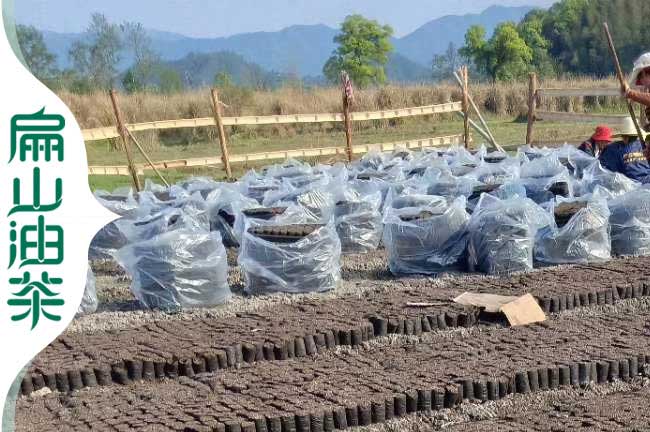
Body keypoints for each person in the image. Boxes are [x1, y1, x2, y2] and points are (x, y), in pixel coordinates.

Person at [599, 117, 650, 183]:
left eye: (623, 137)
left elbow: (607, 172)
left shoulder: (614, 149)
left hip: (632, 187)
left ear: (625, 137)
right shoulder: (646, 146)